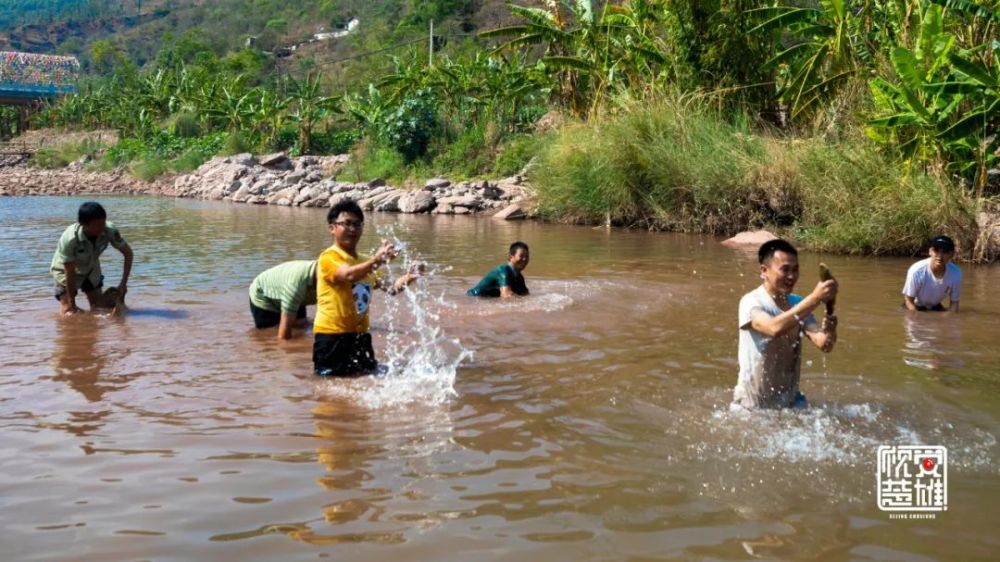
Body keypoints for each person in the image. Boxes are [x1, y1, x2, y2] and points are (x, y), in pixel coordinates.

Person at [313, 200, 420, 377]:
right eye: (346, 224)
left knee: (364, 381)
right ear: (332, 228)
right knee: (330, 392)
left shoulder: (365, 260)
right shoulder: (329, 257)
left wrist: (410, 277)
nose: (352, 229)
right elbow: (348, 275)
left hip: (360, 336)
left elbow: (391, 289)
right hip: (332, 337)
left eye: (357, 224)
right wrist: (377, 260)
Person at [732, 239, 838, 410]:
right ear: (764, 270)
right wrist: (815, 298)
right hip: (752, 405)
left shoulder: (797, 302)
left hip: (792, 401)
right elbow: (773, 328)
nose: (791, 276)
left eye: (795, 270)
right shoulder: (751, 302)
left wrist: (830, 328)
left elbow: (824, 344)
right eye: (785, 270)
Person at [50, 202, 133, 316]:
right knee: (68, 311)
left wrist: (123, 283)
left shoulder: (109, 230)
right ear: (84, 224)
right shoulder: (69, 239)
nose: (102, 227)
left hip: (91, 267)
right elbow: (69, 271)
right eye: (97, 225)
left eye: (103, 223)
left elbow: (128, 254)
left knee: (99, 309)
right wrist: (72, 303)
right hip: (65, 270)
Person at [249, 260, 318, 339]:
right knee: (268, 334)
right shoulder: (295, 286)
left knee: (301, 325)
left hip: (297, 292)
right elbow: (283, 334)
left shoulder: (331, 279)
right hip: (264, 295)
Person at [902, 235, 961, 313]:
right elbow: (908, 300)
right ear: (930, 251)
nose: (939, 256)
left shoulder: (956, 273)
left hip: (936, 306)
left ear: (951, 255)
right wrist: (916, 318)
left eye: (945, 252)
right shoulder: (916, 271)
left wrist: (947, 319)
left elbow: (954, 304)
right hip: (915, 306)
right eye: (936, 250)